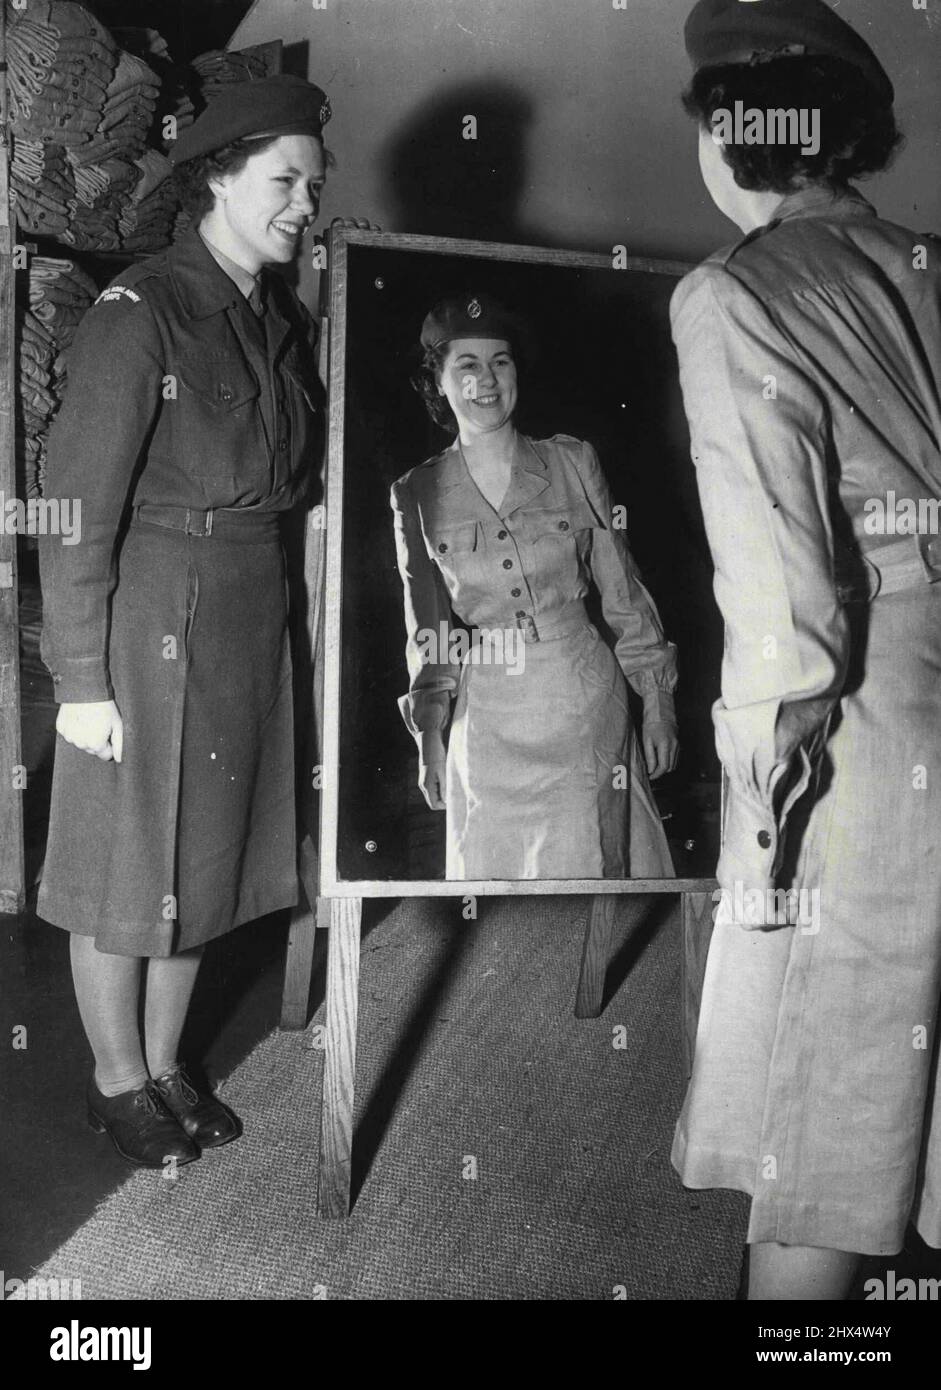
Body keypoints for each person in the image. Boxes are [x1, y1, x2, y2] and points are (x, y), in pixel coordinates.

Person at [671, 0, 941, 1299]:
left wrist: (757, 812)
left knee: (817, 1119)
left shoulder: (736, 295)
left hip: (871, 732)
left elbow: (784, 608)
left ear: (728, 140)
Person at [38, 75, 332, 1167]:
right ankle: (115, 1081)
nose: (302, 202)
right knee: (126, 862)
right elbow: (75, 508)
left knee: (206, 858)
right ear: (216, 178)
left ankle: (166, 1062)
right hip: (152, 611)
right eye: (282, 180)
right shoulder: (144, 309)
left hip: (251, 618)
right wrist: (77, 682)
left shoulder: (276, 316)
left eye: (313, 183)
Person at [391, 294, 679, 880]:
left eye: (500, 361)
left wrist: (659, 702)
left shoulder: (573, 463)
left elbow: (624, 592)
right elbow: (430, 633)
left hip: (581, 697)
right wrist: (430, 732)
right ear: (438, 383)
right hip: (488, 712)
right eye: (466, 365)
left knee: (593, 879)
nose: (486, 379)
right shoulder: (416, 492)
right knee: (495, 900)